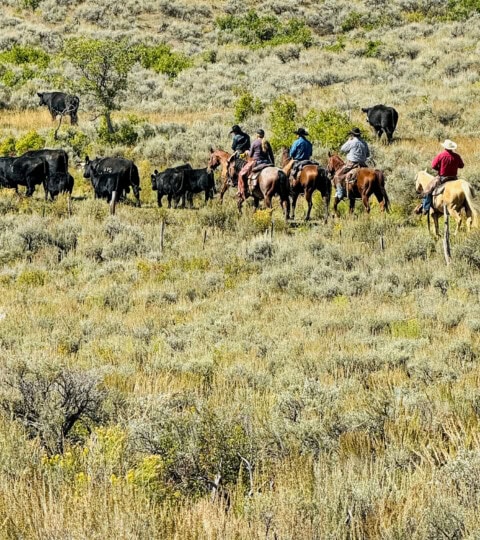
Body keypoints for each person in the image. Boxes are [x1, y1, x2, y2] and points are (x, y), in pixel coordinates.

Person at [414, 139, 464, 215]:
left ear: (445, 147)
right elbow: (461, 166)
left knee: (427, 190)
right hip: (454, 178)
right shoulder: (457, 156)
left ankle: (426, 208)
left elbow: (433, 165)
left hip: (442, 178)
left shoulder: (441, 155)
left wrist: (440, 169)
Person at [238, 129, 274, 200]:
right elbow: (271, 155)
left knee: (242, 173)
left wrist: (247, 152)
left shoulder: (254, 143)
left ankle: (244, 190)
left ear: (257, 135)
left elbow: (250, 155)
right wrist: (272, 163)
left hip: (257, 162)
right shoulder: (267, 142)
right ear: (263, 135)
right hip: (267, 163)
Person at [335, 127, 370, 199]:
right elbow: (368, 154)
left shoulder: (352, 142)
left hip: (352, 163)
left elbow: (342, 149)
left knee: (337, 176)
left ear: (352, 135)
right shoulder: (364, 142)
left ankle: (340, 194)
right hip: (363, 164)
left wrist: (348, 141)